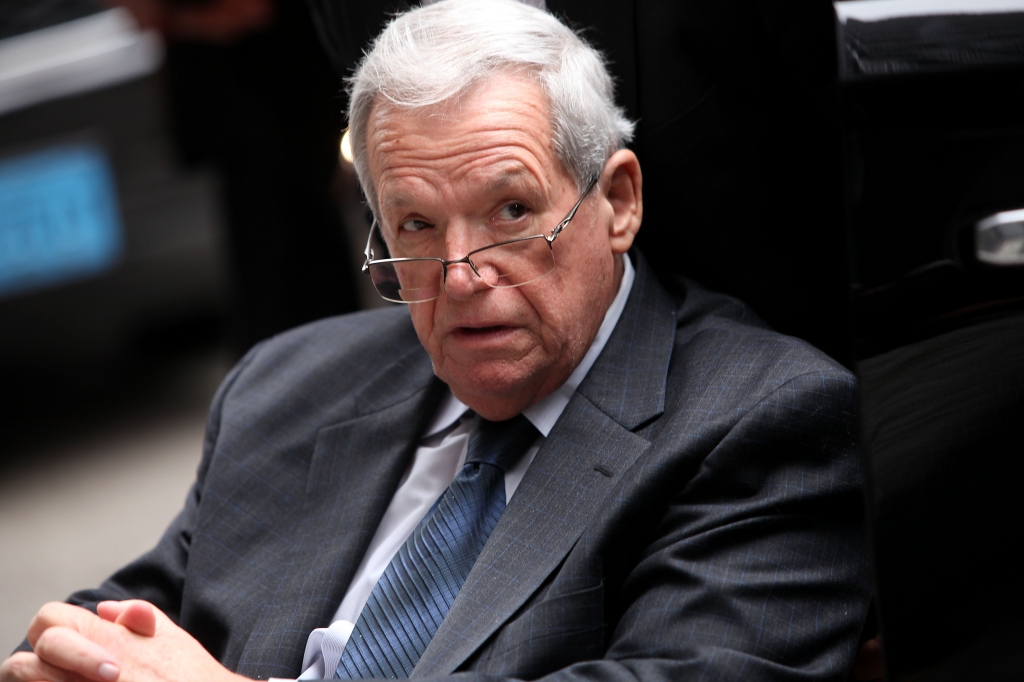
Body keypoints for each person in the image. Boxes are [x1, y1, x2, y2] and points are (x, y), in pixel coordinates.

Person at [1, 1, 870, 681]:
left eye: (511, 211)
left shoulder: (766, 424)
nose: (459, 275)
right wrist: (71, 650)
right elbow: (127, 621)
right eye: (415, 224)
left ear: (618, 201)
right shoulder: (286, 385)